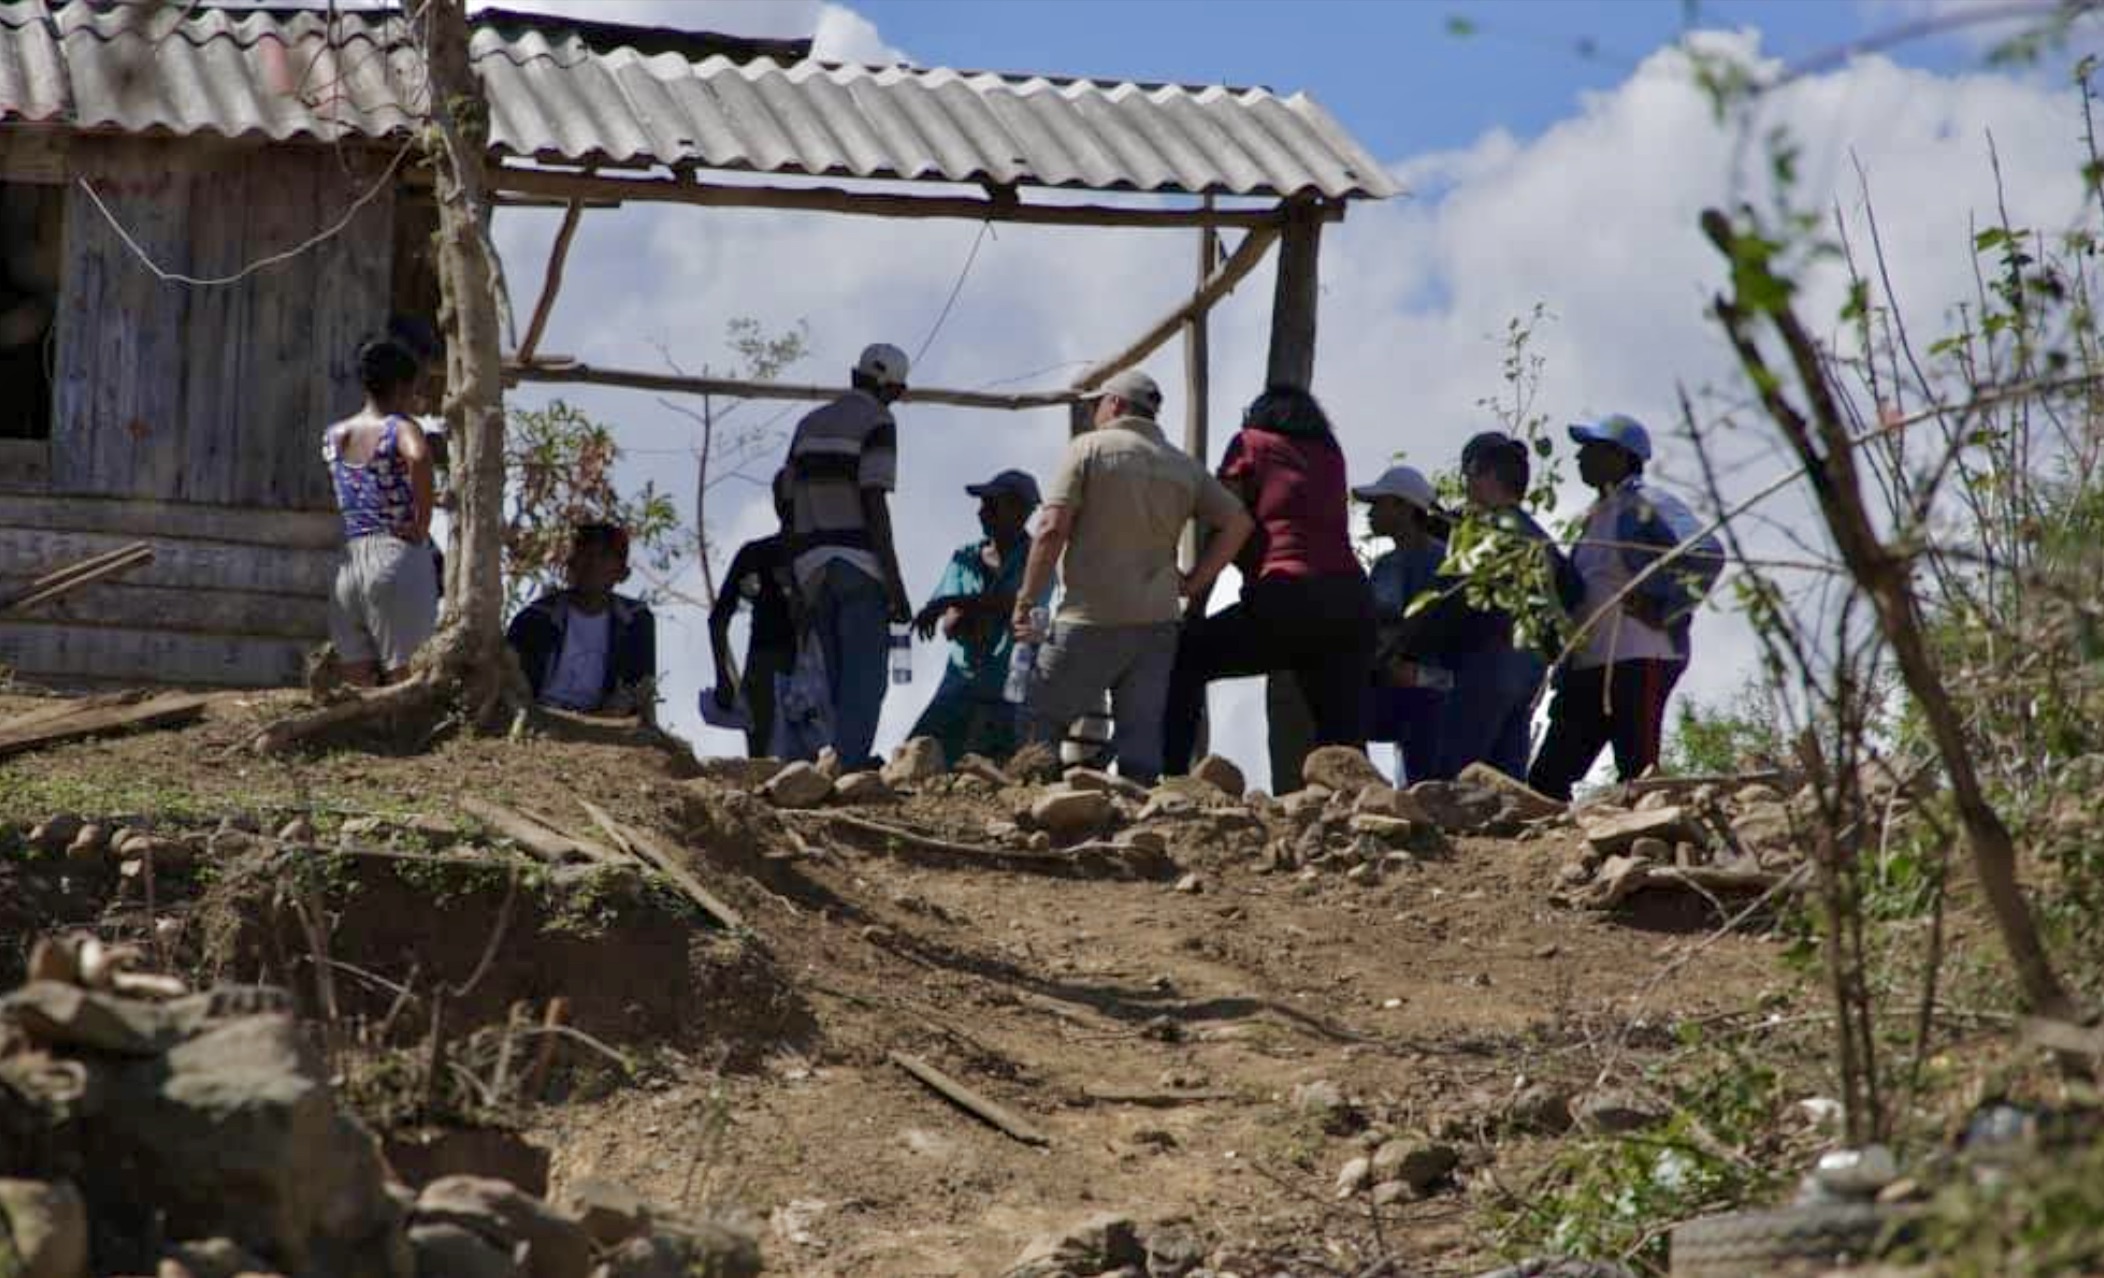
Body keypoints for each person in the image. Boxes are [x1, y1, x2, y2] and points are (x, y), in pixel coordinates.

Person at [1012, 369, 1252, 785]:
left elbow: (1051, 529)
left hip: (1090, 618)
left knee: (1041, 719)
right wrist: (1193, 583)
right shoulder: (1183, 466)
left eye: (1097, 405)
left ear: (1116, 404)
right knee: (1140, 745)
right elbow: (1238, 524)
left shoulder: (1087, 449)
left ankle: (1037, 818)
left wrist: (1027, 600)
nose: (1093, 414)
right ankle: (1134, 834)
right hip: (1157, 623)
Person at [1163, 386, 1374, 777]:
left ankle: (1172, 777)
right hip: (1351, 604)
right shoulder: (1330, 454)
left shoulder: (1251, 444)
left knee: (1184, 657)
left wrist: (1194, 596)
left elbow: (1226, 524)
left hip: (1288, 597)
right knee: (1343, 739)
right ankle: (1368, 815)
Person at [1527, 415, 1725, 799]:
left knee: (1639, 772)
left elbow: (1705, 551)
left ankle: (1646, 849)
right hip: (1589, 665)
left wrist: (1662, 602)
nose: (1580, 458)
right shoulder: (1597, 515)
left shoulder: (1647, 504)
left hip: (1639, 656)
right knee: (1548, 778)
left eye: (1591, 449)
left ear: (1620, 456)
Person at [782, 342, 914, 770]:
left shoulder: (808, 424)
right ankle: (848, 764)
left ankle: (824, 761)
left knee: (831, 673)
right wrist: (894, 582)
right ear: (893, 389)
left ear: (855, 375)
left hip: (810, 564)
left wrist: (794, 572)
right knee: (864, 677)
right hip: (858, 560)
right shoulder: (879, 421)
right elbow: (873, 499)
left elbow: (785, 498)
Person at [1431, 431, 1583, 781]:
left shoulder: (1484, 528)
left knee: (1458, 774)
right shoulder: (1538, 536)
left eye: (1468, 475)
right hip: (1530, 667)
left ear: (1482, 473)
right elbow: (1573, 590)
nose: (1466, 484)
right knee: (1507, 777)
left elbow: (1449, 597)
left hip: (1486, 660)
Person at [907, 469, 1049, 763]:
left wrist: (958, 603)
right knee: (921, 754)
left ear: (1020, 510)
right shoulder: (966, 557)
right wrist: (965, 611)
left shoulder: (1037, 559)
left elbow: (1021, 606)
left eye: (992, 504)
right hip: (961, 680)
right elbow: (949, 625)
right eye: (983, 505)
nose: (982, 513)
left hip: (1011, 682)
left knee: (1011, 760)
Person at [324, 336, 438, 686]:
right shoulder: (399, 427)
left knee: (357, 678)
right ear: (403, 386)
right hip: (395, 555)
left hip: (349, 562)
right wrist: (422, 523)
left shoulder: (335, 434)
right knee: (407, 676)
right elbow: (417, 456)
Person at [1353, 464, 1452, 785]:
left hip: (1424, 688)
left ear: (1404, 508)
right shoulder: (1442, 560)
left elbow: (1383, 627)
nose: (1370, 513)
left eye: (1379, 504)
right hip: (1431, 686)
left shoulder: (1404, 565)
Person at [506, 522, 659, 715]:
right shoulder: (536, 617)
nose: (592, 563)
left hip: (606, 722)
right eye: (584, 554)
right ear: (569, 566)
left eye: (603, 556)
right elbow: (510, 682)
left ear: (622, 573)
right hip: (540, 715)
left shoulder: (636, 620)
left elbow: (641, 687)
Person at [708, 473, 797, 757]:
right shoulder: (757, 553)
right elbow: (718, 619)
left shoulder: (819, 555)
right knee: (767, 765)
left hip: (809, 664)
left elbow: (718, 619)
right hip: (767, 664)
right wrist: (724, 678)